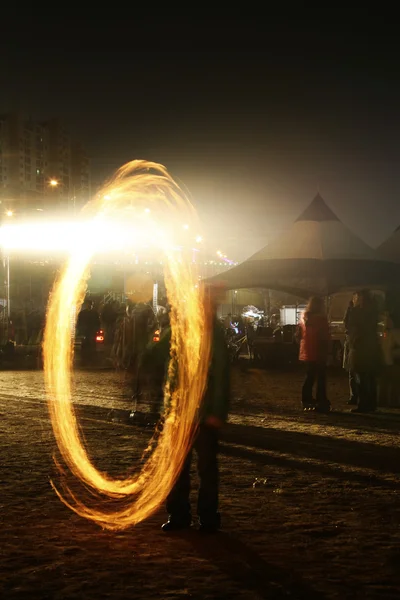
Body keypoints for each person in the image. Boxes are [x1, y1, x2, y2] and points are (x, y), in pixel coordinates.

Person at [160, 289, 230, 533]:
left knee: (206, 469)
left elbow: (221, 377)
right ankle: (179, 515)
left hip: (203, 415)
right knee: (178, 468)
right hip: (181, 414)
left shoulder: (214, 336)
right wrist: (169, 409)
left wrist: (217, 411)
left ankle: (208, 517)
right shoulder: (182, 333)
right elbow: (173, 372)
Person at [346, 290, 380, 413]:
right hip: (370, 347)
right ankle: (371, 403)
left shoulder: (357, 312)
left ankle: (364, 404)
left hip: (360, 347)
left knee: (361, 377)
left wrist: (352, 308)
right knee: (369, 377)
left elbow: (350, 326)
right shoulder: (373, 311)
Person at [297, 296, 330, 412]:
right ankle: (321, 400)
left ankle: (306, 399)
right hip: (319, 350)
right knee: (321, 377)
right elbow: (324, 336)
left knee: (309, 376)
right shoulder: (321, 319)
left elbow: (299, 334)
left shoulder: (304, 317)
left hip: (307, 350)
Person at [343, 294, 359, 406]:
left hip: (355, 344)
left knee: (355, 373)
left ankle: (355, 396)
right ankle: (354, 396)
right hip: (352, 343)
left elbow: (346, 323)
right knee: (353, 373)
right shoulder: (352, 311)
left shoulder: (357, 313)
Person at [76, 300, 101, 366]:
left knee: (87, 345)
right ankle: (89, 360)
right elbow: (97, 322)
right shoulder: (94, 313)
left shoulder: (83, 313)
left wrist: (80, 330)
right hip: (90, 331)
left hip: (88, 331)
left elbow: (79, 323)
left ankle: (86, 360)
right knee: (89, 345)